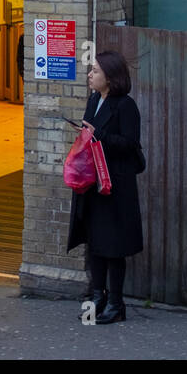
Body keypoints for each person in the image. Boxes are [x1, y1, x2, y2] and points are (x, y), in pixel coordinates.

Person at [66, 49, 144, 324]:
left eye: (95, 71)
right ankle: (97, 299)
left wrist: (98, 135)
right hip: (93, 183)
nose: (90, 74)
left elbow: (130, 144)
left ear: (110, 77)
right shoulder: (93, 99)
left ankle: (116, 303)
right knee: (96, 243)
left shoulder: (126, 106)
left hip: (115, 185)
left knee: (114, 246)